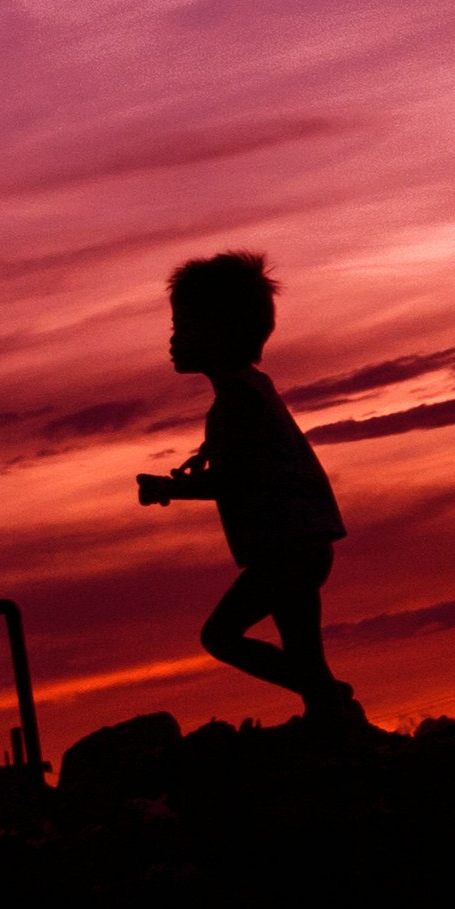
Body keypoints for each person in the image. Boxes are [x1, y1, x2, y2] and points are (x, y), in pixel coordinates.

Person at [140, 250, 368, 734]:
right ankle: (331, 718)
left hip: (285, 549)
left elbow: (233, 477)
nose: (174, 338)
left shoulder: (239, 400)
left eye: (184, 324)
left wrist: (168, 489)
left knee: (221, 636)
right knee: (303, 650)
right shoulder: (246, 392)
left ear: (219, 330)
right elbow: (239, 468)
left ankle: (326, 697)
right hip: (299, 545)